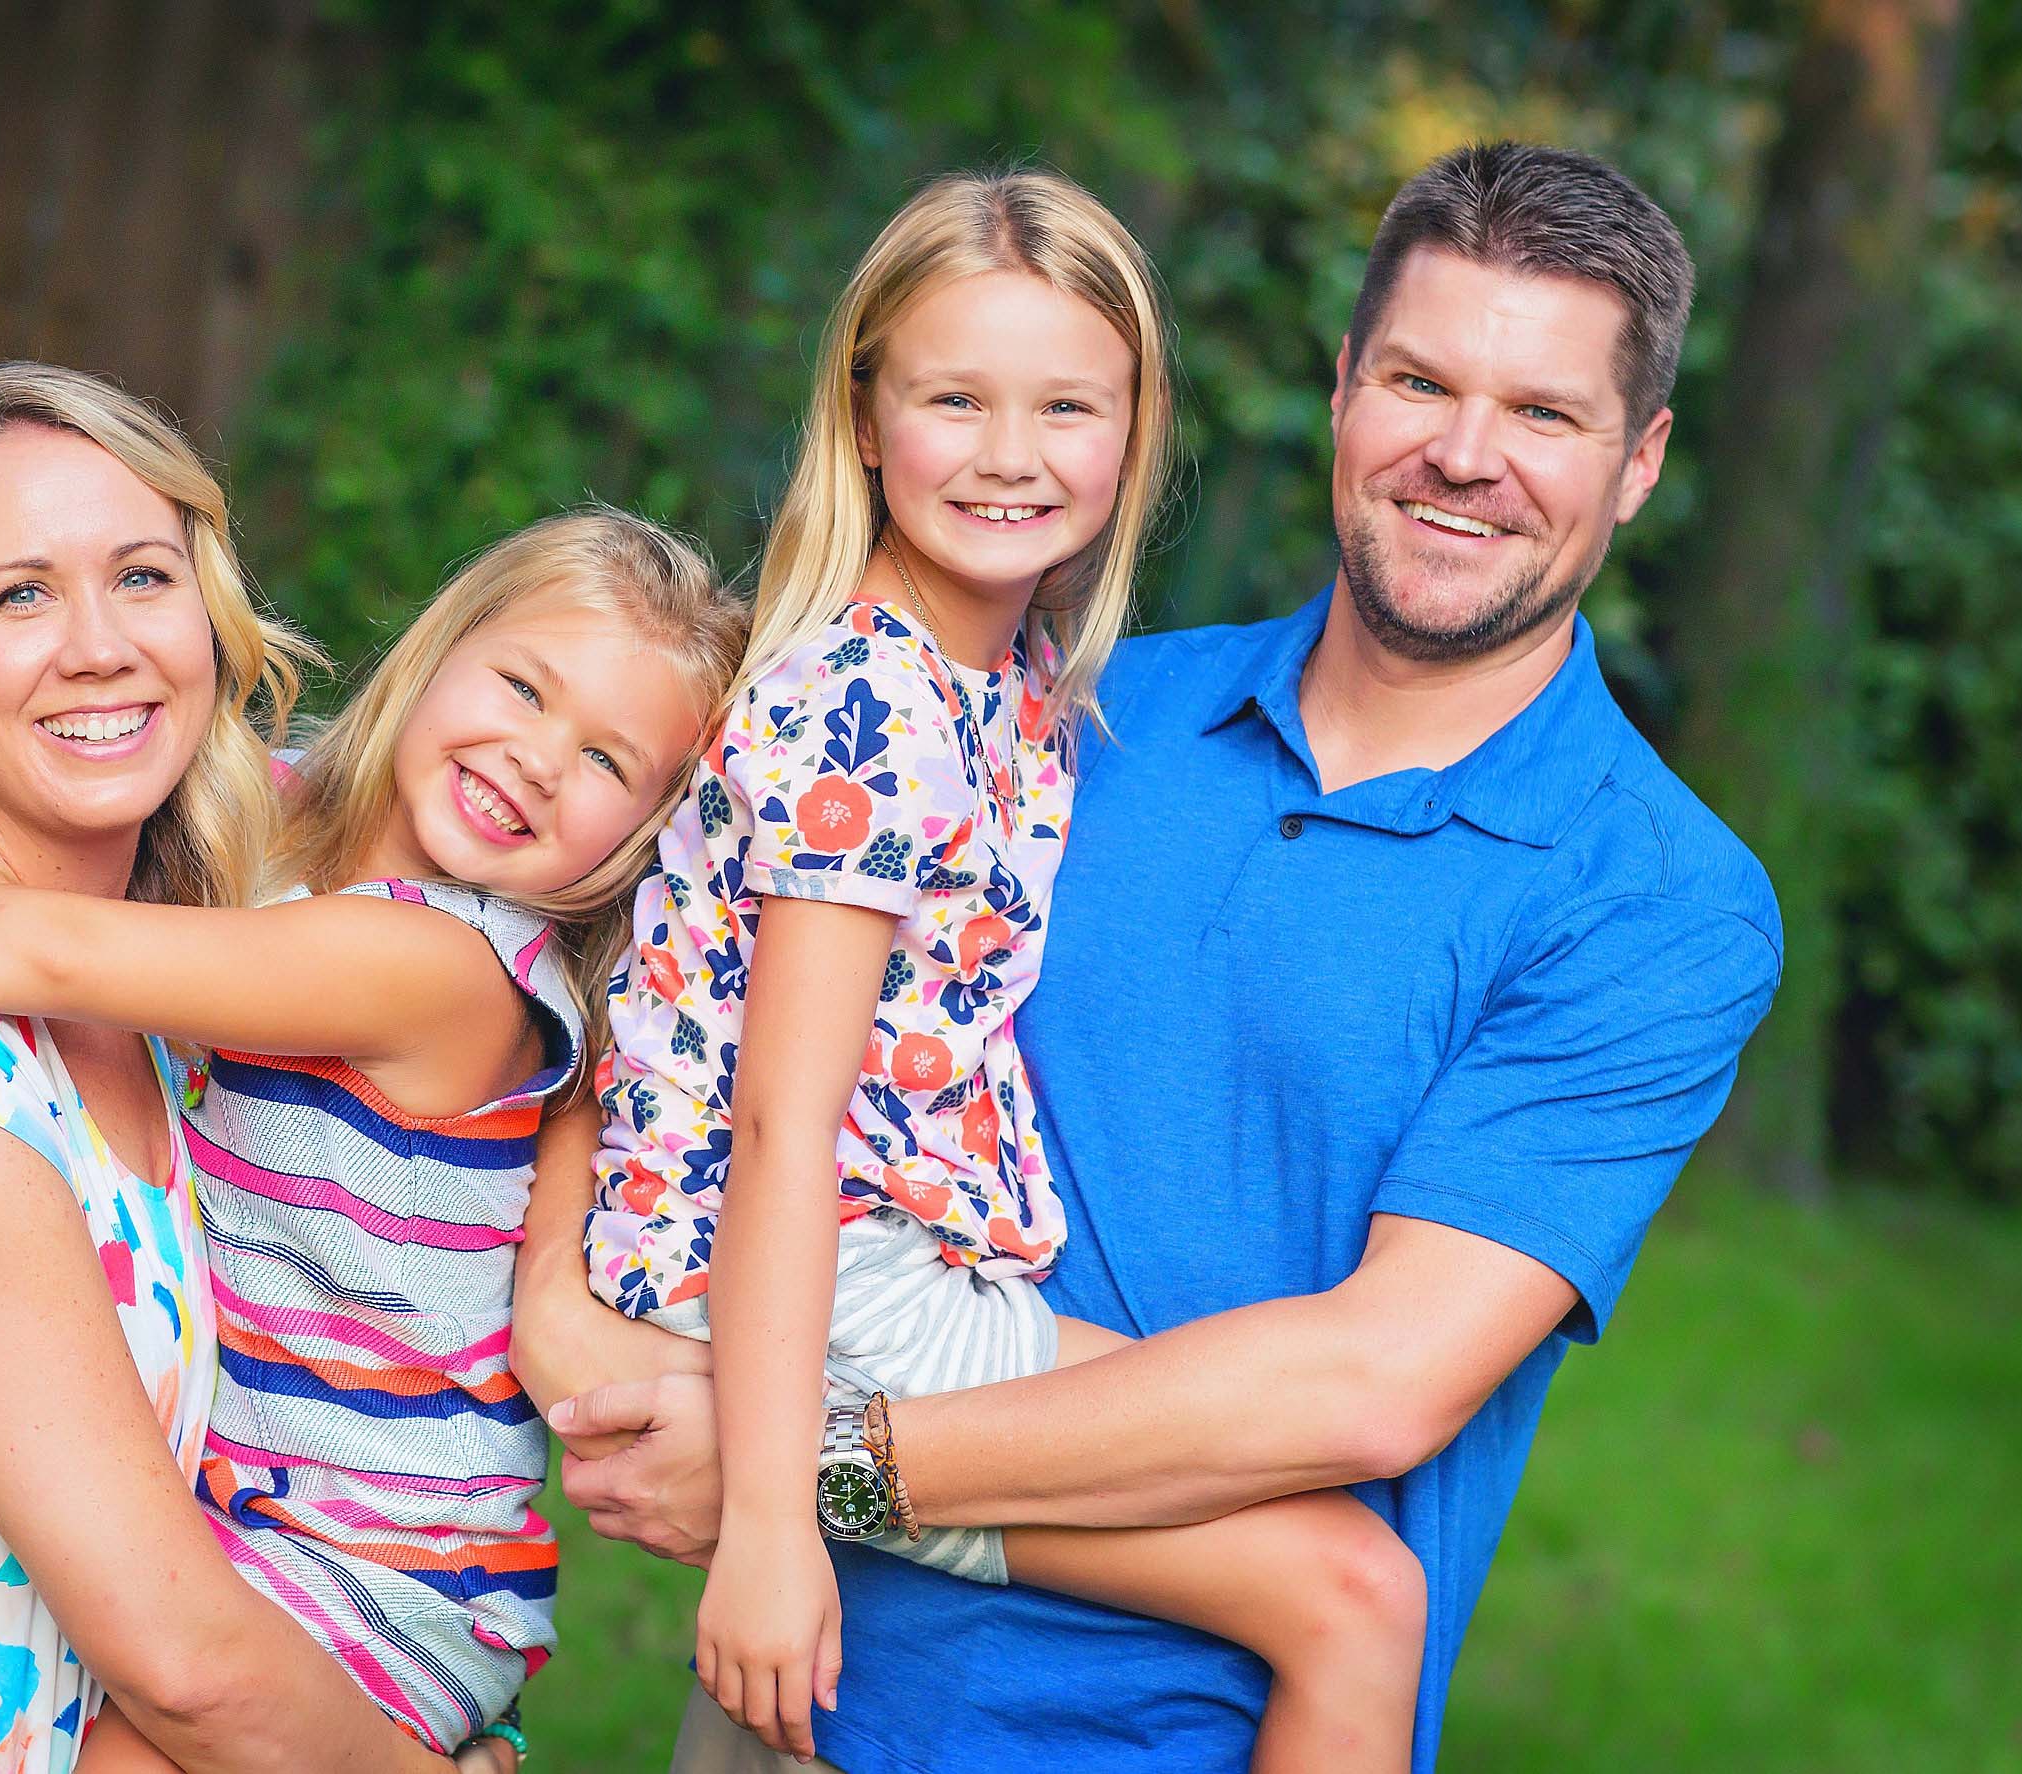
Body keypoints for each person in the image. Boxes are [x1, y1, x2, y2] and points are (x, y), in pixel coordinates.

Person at [521, 141, 1782, 1773]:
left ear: (1641, 461)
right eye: (1419, 379)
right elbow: (670, 970)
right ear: (1340, 390)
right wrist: (556, 1295)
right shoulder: (1075, 709)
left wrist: (792, 1460)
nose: (1467, 455)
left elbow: (1371, 1385)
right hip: (801, 1702)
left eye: (1545, 413)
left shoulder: (1654, 895)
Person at [0, 502, 746, 1767]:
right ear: (439, 650)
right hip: (250, 1513)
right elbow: (2, 895)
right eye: (524, 687)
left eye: (607, 762)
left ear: (643, 838)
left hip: (380, 1564)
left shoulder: (440, 962)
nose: (540, 757)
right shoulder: (272, 816)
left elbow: (58, 949)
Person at [578, 167, 1425, 1771]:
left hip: (883, 1273)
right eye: (956, 398)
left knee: (1316, 1502)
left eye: (1067, 406)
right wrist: (770, 1517)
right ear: (867, 406)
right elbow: (783, 1128)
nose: (1012, 455)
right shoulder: (869, 712)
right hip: (832, 1283)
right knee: (1354, 1585)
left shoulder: (1009, 677)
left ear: (1135, 425)